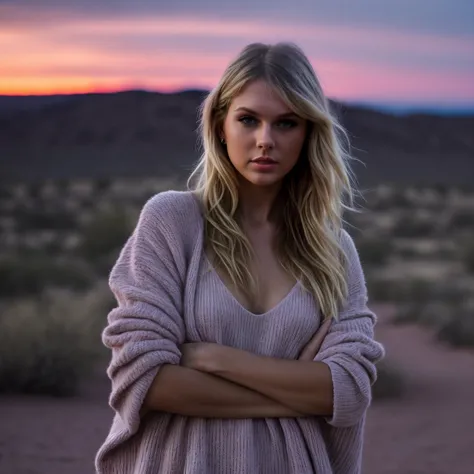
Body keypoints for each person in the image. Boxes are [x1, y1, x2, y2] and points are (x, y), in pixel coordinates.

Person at [95, 42, 385, 474]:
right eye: (248, 119)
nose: (265, 140)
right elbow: (144, 379)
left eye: (286, 123)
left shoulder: (333, 250)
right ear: (220, 124)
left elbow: (349, 389)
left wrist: (219, 360)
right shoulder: (173, 222)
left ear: (308, 133)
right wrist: (294, 394)